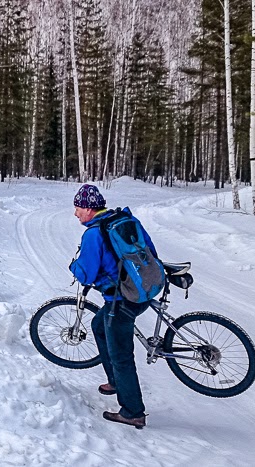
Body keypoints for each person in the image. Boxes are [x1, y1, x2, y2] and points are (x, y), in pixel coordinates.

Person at [68, 184, 158, 430]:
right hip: (143, 290)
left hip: (123, 299)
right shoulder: (125, 219)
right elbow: (150, 250)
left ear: (88, 208)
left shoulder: (94, 234)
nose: (75, 213)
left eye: (77, 208)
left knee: (122, 355)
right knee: (99, 324)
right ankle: (115, 381)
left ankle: (133, 411)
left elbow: (86, 274)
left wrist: (73, 266)